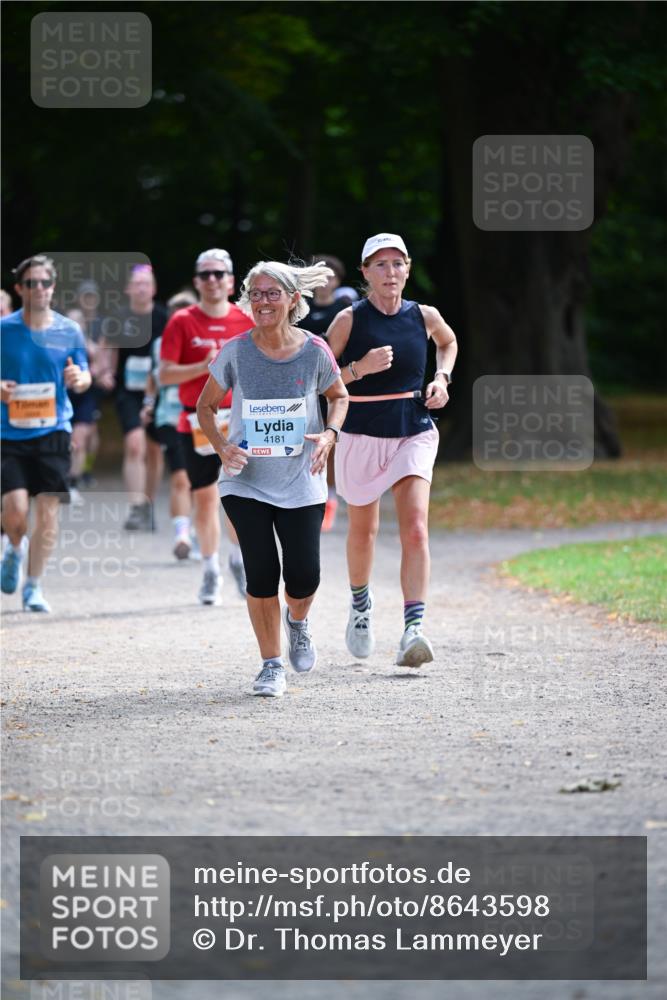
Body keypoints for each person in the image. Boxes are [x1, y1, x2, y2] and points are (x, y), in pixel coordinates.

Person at [197, 260, 348, 697]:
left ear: (292, 299)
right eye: (256, 293)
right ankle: (271, 664)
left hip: (301, 479)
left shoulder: (315, 350)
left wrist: (330, 435)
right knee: (261, 572)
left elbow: (339, 396)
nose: (263, 301)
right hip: (245, 480)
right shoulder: (236, 351)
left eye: (272, 293)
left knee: (304, 577)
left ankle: (297, 621)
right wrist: (222, 447)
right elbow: (206, 406)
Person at [326, 233, 457, 667]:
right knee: (363, 531)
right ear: (365, 272)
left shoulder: (424, 315)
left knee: (416, 528)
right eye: (380, 264)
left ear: (408, 269)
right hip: (361, 433)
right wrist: (358, 369)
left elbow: (448, 342)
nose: (390, 272)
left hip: (412, 428)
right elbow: (319, 378)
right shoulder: (348, 319)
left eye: (397, 263)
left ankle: (413, 629)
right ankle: (360, 604)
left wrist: (441, 379)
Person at [160, 250, 252, 604]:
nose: (212, 280)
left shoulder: (246, 318)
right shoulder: (182, 320)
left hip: (240, 420)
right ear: (197, 282)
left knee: (241, 497)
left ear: (231, 281)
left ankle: (238, 560)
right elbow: (165, 374)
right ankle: (211, 569)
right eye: (205, 275)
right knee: (205, 497)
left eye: (219, 274)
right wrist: (204, 367)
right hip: (197, 421)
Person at [1, 255, 91, 612]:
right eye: (31, 283)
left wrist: (78, 379)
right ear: (19, 288)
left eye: (45, 282)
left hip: (53, 430)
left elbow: (83, 375)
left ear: (53, 287)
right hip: (8, 433)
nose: (39, 288)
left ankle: (33, 587)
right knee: (15, 510)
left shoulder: (69, 330)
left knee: (49, 511)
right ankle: (14, 546)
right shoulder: (4, 329)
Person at [102, 264, 168, 530]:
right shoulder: (119, 318)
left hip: (159, 391)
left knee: (154, 450)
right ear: (128, 288)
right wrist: (105, 371)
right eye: (137, 283)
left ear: (154, 288)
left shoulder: (164, 317)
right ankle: (136, 507)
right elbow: (108, 347)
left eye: (146, 283)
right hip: (128, 391)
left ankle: (148, 504)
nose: (141, 288)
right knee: (134, 446)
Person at [298, 254, 353, 532]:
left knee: (331, 439)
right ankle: (304, 492)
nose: (325, 282)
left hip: (333, 383)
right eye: (320, 276)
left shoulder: (344, 310)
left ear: (338, 281)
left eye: (330, 276)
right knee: (303, 437)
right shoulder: (300, 309)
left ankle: (329, 497)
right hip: (302, 384)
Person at [140, 289, 197, 560]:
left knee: (200, 481)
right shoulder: (160, 344)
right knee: (181, 476)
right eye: (177, 312)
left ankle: (193, 529)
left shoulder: (204, 342)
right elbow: (153, 377)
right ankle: (181, 535)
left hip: (201, 418)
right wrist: (148, 404)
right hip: (169, 418)